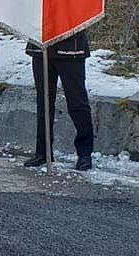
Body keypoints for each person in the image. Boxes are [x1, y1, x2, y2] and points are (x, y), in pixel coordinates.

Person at [24, 30, 94, 170]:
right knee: (44, 103)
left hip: (70, 47)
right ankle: (43, 151)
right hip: (41, 44)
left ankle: (84, 154)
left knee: (77, 103)